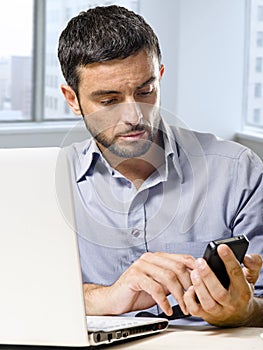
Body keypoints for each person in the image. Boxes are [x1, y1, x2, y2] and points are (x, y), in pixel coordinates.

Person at [57, 5, 263, 327]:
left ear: (160, 77)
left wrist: (245, 311)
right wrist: (109, 297)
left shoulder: (239, 172)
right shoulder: (45, 183)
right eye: (109, 101)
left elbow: (259, 303)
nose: (134, 117)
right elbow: (19, 290)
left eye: (145, 91)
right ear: (72, 99)